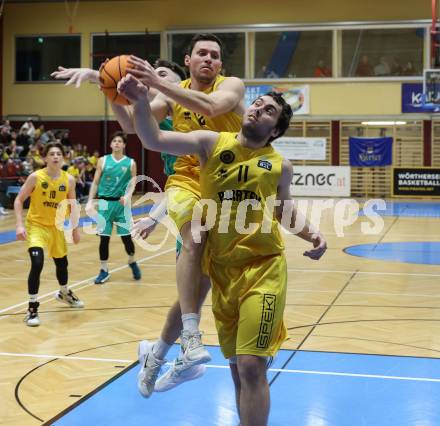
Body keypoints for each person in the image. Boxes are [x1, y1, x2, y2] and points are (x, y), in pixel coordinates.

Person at [120, 75, 327, 425]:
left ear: (275, 130)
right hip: (222, 272)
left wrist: (314, 235)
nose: (259, 108)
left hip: (263, 268)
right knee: (237, 369)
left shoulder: (280, 166)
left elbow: (286, 212)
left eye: (269, 111)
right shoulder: (210, 142)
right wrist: (141, 102)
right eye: (259, 104)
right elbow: (153, 138)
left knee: (250, 365)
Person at [51, 34, 245, 396]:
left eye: (214, 55)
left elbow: (212, 106)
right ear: (187, 59)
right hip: (186, 186)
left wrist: (145, 83)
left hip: (229, 190)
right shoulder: (165, 99)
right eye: (201, 52)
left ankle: (155, 357)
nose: (208, 59)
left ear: (220, 64)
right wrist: (105, 84)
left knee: (200, 288)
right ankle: (191, 340)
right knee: (195, 238)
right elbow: (131, 125)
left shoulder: (228, 86)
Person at [14, 141, 83, 327]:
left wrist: (75, 230)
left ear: (63, 158)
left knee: (62, 264)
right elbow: (19, 200)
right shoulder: (36, 177)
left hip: (57, 227)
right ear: (45, 158)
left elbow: (73, 206)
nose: (55, 156)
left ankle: (64, 292)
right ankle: (32, 308)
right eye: (51, 154)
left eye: (58, 154)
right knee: (37, 263)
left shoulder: (69, 180)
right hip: (36, 225)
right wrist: (19, 225)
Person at [85, 131, 141, 284]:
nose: (117, 143)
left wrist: (129, 195)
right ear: (110, 144)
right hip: (104, 203)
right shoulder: (102, 161)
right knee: (104, 239)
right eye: (114, 141)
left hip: (122, 204)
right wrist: (90, 200)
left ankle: (131, 260)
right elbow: (95, 183)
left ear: (124, 145)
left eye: (119, 141)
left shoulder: (130, 163)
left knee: (126, 239)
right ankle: (104, 270)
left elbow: (133, 184)